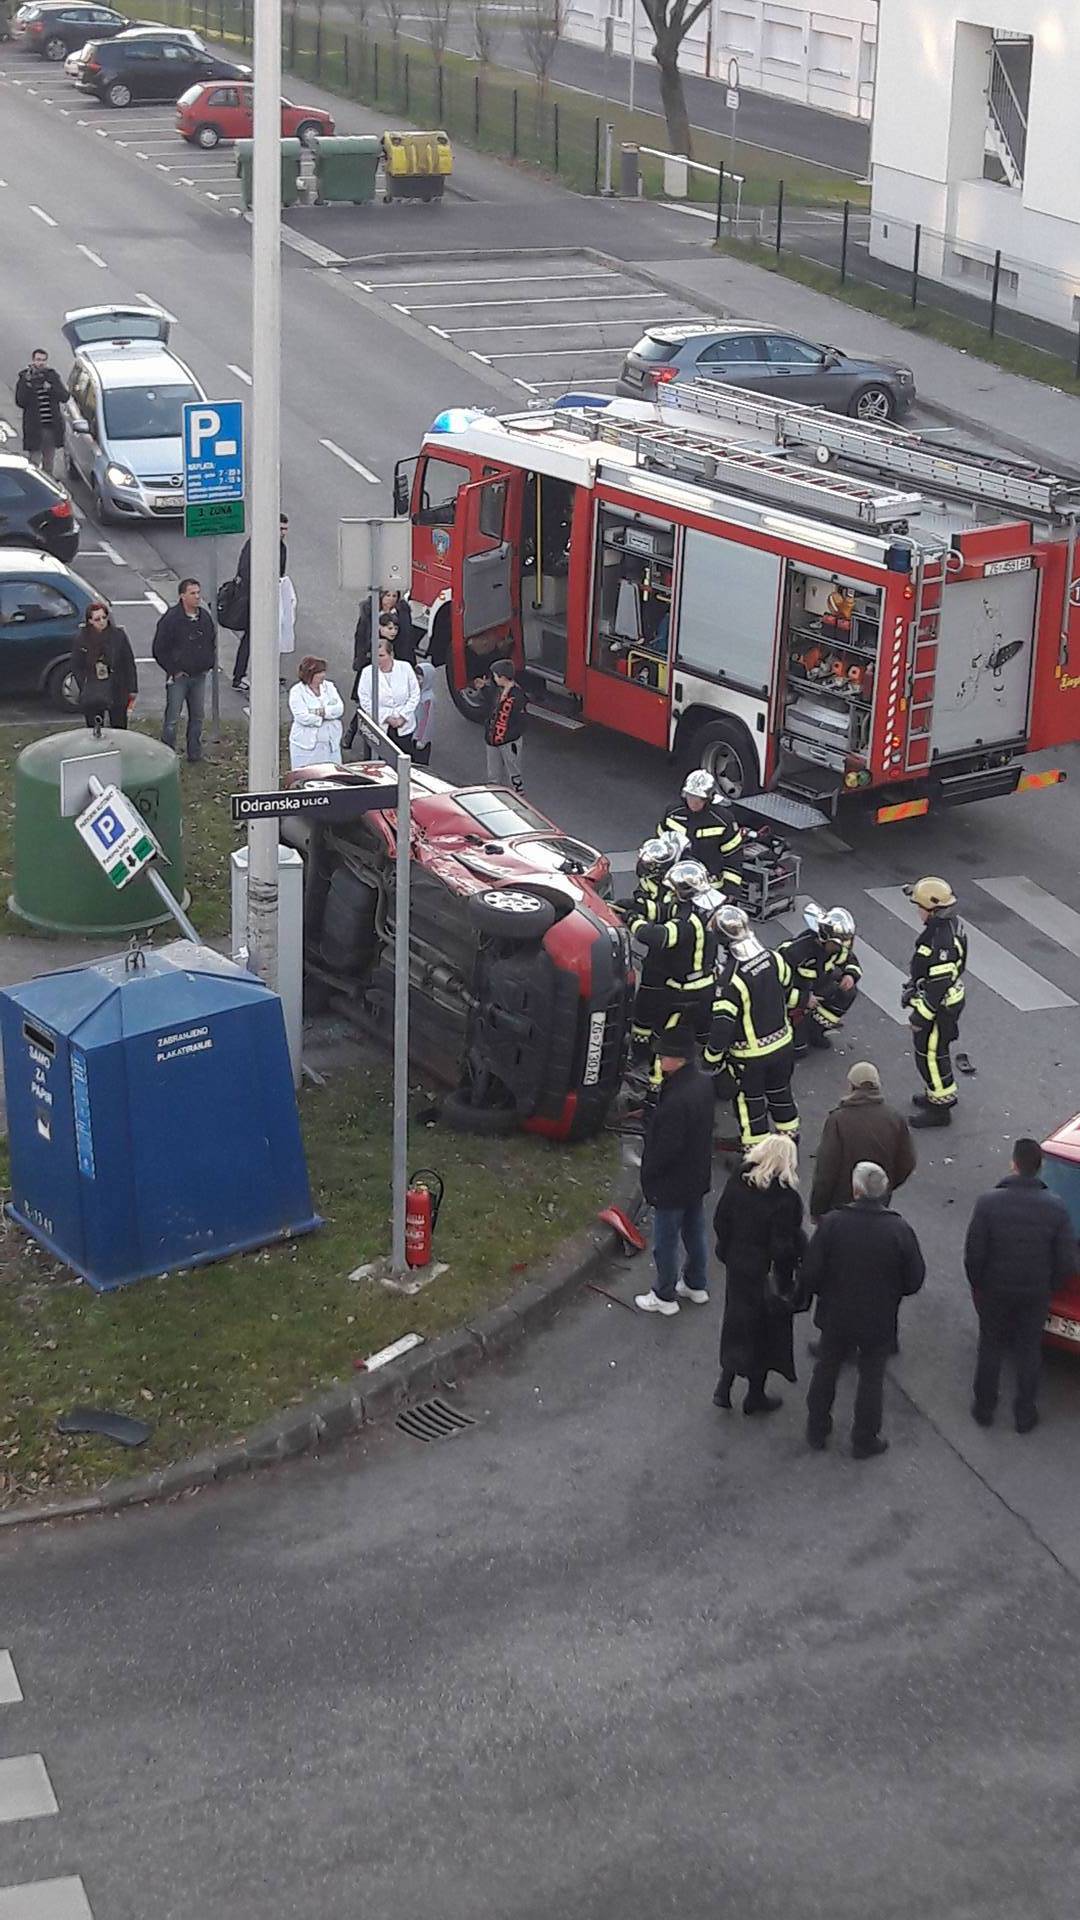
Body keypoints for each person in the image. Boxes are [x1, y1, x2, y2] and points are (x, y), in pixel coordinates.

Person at [803, 1162, 926, 1458]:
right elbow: (914, 1279)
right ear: (883, 1191)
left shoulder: (833, 1224)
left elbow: (810, 1273)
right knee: (871, 1377)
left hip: (836, 1313)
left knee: (827, 1368)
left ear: (855, 1189)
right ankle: (864, 1439)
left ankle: (817, 1429)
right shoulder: (898, 1229)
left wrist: (826, 1293)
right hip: (878, 1317)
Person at [964, 1138, 1077, 1433]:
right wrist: (1048, 1286)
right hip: (1034, 1293)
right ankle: (1025, 1413)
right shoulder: (1056, 1208)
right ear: (1039, 1168)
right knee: (1029, 1350)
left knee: (990, 1346)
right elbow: (1066, 1260)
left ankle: (984, 1408)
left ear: (1013, 1164)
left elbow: (974, 1253)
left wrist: (981, 1283)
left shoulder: (988, 1203)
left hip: (995, 1290)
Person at [712, 1133, 807, 1415]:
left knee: (736, 1323)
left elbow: (721, 1220)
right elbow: (782, 1247)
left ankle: (724, 1385)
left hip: (738, 1266)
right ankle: (755, 1396)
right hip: (765, 1273)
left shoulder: (739, 1182)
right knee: (764, 1334)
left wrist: (728, 1249)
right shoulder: (785, 1199)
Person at [634, 1032, 716, 1316]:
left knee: (665, 1242)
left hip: (672, 1183)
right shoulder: (703, 1085)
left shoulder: (676, 1101)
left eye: (663, 1056)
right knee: (695, 1232)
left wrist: (649, 1177)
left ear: (677, 1060)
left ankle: (664, 1294)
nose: (659, 1059)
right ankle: (695, 1283)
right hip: (696, 1176)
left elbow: (664, 1149)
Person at [704, 903, 799, 1149]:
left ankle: (757, 1157)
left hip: (751, 1058)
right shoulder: (774, 958)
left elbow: (722, 1028)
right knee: (781, 1094)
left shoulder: (730, 981)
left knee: (751, 1105)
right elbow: (787, 991)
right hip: (784, 1045)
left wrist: (711, 1061)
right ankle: (789, 1141)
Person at [628, 859, 716, 1091]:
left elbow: (660, 937)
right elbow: (665, 911)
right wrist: (636, 907)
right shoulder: (703, 905)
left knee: (666, 1039)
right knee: (694, 1032)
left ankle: (656, 1091)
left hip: (687, 991)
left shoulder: (688, 921)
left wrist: (633, 922)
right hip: (700, 984)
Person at [809, 1061, 915, 1222]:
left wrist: (817, 1209)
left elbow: (826, 1171)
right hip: (878, 1199)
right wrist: (884, 1185)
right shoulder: (894, 1118)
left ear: (851, 1086)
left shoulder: (838, 1120)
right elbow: (907, 1162)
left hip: (841, 1203)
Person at [902, 875, 967, 1128]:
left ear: (932, 909)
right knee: (932, 1052)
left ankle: (941, 1108)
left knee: (930, 1054)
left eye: (919, 906)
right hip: (943, 1000)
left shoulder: (942, 941)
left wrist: (919, 1017)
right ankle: (936, 1094)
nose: (917, 911)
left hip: (940, 1006)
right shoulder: (946, 926)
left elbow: (938, 986)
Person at [780, 902, 861, 1056]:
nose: (842, 948)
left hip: (816, 986)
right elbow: (775, 987)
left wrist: (850, 974)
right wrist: (804, 999)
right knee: (798, 1051)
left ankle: (815, 1030)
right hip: (792, 996)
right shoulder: (796, 952)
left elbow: (849, 960)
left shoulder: (837, 947)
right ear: (825, 938)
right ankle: (797, 1033)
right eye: (838, 945)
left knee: (847, 992)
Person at [152, 578, 216, 763]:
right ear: (182, 596)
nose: (197, 597)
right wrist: (173, 670)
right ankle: (167, 756)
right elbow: (159, 649)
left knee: (197, 717)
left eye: (198, 592)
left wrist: (207, 663)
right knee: (172, 718)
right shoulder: (171, 619)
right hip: (178, 677)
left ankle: (194, 754)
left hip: (199, 676)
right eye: (192, 593)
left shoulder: (204, 617)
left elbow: (210, 641)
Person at [658, 768, 744, 893]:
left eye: (699, 798)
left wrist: (730, 889)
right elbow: (661, 845)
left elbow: (734, 857)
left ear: (708, 798)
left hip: (708, 887)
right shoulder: (672, 813)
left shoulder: (723, 820)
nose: (693, 801)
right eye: (690, 796)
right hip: (674, 882)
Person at [230, 513, 289, 690]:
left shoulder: (281, 547)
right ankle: (239, 676)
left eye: (285, 529)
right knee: (250, 637)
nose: (283, 533)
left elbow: (280, 573)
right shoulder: (257, 543)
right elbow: (245, 570)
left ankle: (267, 673)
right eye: (280, 529)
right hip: (251, 598)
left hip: (270, 596)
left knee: (270, 637)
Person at [70, 602, 137, 730]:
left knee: (119, 727)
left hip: (117, 687)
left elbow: (128, 662)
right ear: (90, 621)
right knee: (95, 727)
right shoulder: (82, 638)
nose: (102, 622)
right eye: (97, 619)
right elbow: (76, 665)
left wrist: (132, 688)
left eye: (104, 617)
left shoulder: (118, 635)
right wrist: (83, 684)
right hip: (94, 688)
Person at [358, 633, 420, 754]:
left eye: (381, 655)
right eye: (375, 655)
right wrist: (386, 717)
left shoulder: (405, 668)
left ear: (391, 655)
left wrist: (402, 716)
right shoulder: (367, 672)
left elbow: (415, 694)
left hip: (404, 726)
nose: (377, 659)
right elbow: (365, 700)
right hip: (380, 728)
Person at [15, 348, 67, 476]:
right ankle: (35, 487)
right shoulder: (24, 378)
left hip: (51, 428)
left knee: (49, 463)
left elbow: (65, 396)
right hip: (34, 428)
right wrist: (27, 385)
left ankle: (49, 488)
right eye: (38, 360)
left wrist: (51, 388)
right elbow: (20, 401)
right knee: (34, 463)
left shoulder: (52, 376)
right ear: (33, 361)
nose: (41, 363)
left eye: (44, 360)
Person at [288, 656, 344, 770]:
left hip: (330, 744)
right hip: (306, 747)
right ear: (309, 674)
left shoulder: (329, 686)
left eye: (323, 671)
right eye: (319, 672)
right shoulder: (297, 691)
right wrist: (327, 714)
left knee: (332, 775)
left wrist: (319, 712)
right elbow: (302, 717)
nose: (323, 675)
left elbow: (339, 709)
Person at [482, 658, 527, 793]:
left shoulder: (517, 696)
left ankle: (518, 802)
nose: (494, 678)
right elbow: (491, 707)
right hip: (493, 740)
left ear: (502, 677)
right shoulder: (497, 690)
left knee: (514, 775)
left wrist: (510, 735)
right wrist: (483, 688)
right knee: (493, 776)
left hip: (509, 742)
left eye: (495, 675)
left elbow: (522, 721)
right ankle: (495, 798)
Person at [353, 587, 417, 679]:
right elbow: (361, 636)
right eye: (388, 595)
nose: (391, 599)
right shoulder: (369, 612)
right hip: (372, 657)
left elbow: (407, 637)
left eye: (394, 596)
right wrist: (360, 658)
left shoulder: (402, 613)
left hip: (396, 656)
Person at [412, 659, 437, 767]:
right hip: (413, 735)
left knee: (420, 766)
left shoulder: (428, 698)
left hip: (420, 739)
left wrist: (421, 739)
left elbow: (426, 721)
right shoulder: (417, 693)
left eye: (418, 678)